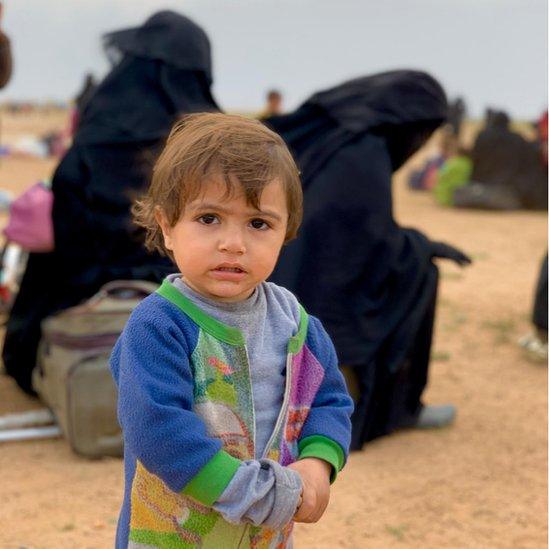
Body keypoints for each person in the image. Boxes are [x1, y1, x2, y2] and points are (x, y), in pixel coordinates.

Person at [110, 113, 353, 548]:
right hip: (174, 536)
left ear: (285, 232)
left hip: (265, 536)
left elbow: (329, 400)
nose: (233, 243)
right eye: (209, 218)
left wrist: (318, 463)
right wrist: (254, 494)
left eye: (258, 223)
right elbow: (157, 429)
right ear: (167, 226)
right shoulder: (159, 325)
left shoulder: (296, 324)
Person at [3, 11, 219, 394]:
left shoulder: (96, 137)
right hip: (190, 306)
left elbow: (65, 237)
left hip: (84, 301)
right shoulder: (211, 147)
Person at [265, 70, 472, 449]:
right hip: (322, 292)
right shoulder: (363, 152)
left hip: (287, 279)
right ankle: (395, 408)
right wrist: (426, 247)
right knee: (419, 273)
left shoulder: (333, 137)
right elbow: (375, 242)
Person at [453, 109, 548, 211]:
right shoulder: (517, 139)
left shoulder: (482, 136)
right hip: (508, 191)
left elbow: (474, 161)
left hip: (481, 187)